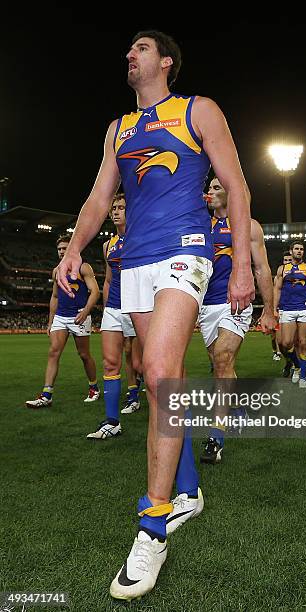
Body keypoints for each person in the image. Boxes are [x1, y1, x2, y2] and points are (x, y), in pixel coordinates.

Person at [56, 30, 254, 601]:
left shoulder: (198, 110)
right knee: (152, 375)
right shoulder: (119, 128)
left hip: (186, 250)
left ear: (166, 61)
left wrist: (239, 265)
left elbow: (236, 186)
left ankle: (152, 525)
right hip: (136, 262)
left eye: (141, 48)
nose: (130, 54)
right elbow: (99, 199)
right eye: (129, 50)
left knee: (165, 374)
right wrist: (73, 248)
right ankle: (188, 488)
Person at [198, 177, 275, 464]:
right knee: (221, 367)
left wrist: (269, 310)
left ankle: (215, 437)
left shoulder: (249, 226)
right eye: (210, 188)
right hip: (205, 306)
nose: (211, 191)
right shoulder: (200, 226)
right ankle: (236, 407)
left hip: (237, 302)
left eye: (217, 187)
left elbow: (262, 268)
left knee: (222, 358)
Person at [87, 193, 143, 440]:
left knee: (142, 363)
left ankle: (143, 398)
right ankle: (112, 422)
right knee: (110, 362)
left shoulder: (143, 236)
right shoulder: (107, 245)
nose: (117, 211)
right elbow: (108, 280)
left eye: (121, 207)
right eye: (114, 208)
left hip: (140, 305)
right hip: (114, 308)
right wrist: (108, 305)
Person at [26, 235, 100, 408]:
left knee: (84, 355)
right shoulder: (56, 270)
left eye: (65, 248)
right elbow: (55, 296)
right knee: (53, 352)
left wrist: (86, 312)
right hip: (61, 316)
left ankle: (93, 387)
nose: (61, 252)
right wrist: (51, 321)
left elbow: (95, 292)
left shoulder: (83, 267)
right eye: (59, 249)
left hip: (79, 315)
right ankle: (46, 395)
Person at [274, 242, 306, 388]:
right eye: (296, 249)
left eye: (301, 249)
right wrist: (274, 308)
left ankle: (303, 377)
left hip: (305, 308)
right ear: (291, 251)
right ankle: (297, 365)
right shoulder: (282, 269)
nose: (299, 251)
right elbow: (277, 289)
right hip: (287, 309)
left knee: (303, 342)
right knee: (286, 343)